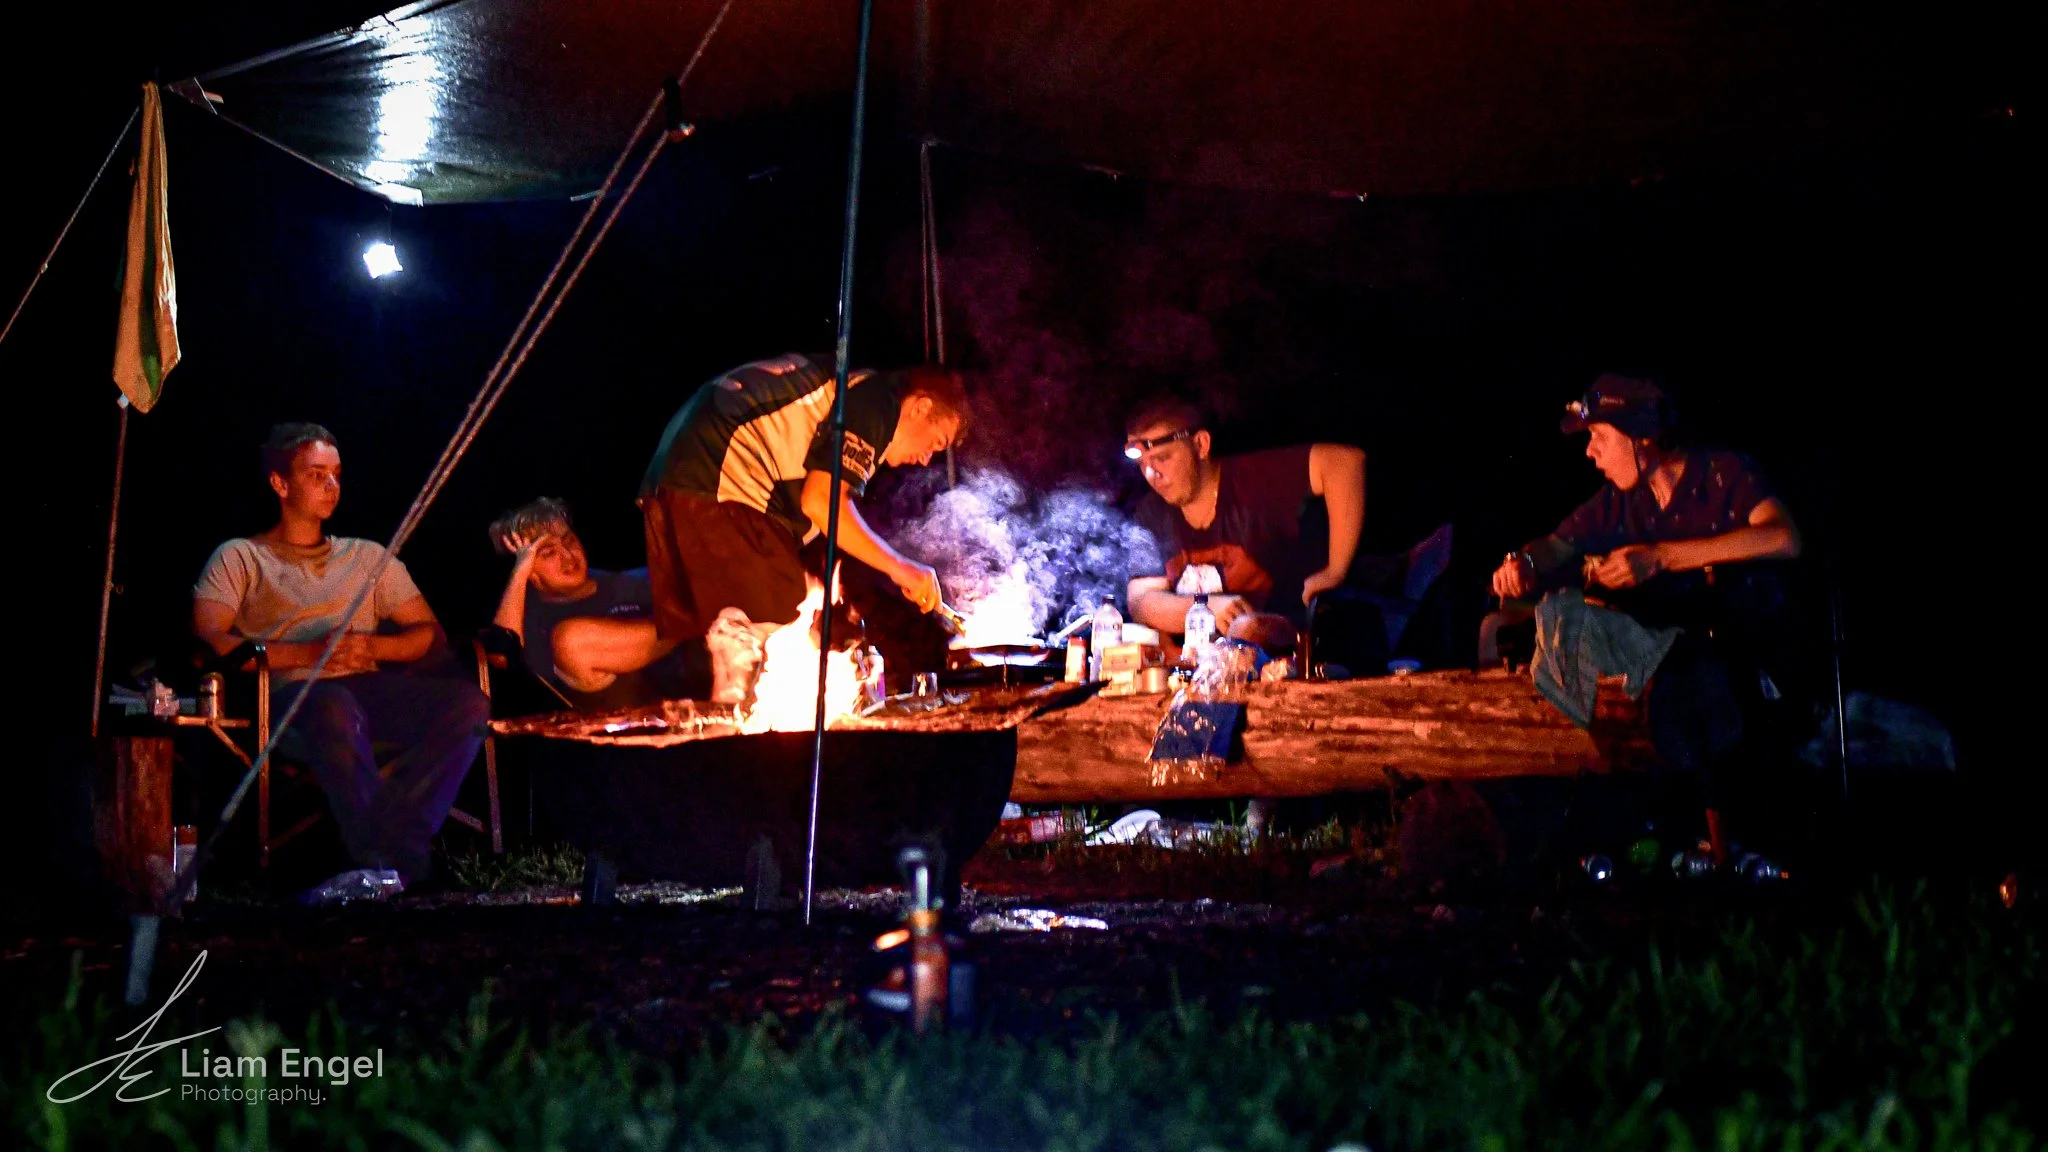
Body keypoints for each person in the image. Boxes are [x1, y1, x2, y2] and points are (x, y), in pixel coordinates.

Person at [1487, 373, 1805, 864]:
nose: (1590, 453)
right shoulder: (1620, 499)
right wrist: (1522, 563)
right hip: (1669, 658)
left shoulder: (1720, 475)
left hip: (1747, 652)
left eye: (1599, 438)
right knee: (1547, 626)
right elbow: (1555, 546)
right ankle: (1586, 821)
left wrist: (1661, 557)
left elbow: (1783, 538)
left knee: (1690, 680)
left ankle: (1719, 841)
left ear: (1642, 438)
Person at [193, 422, 488, 896]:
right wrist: (311, 651)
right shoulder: (241, 557)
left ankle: (391, 857)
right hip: (293, 698)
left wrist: (372, 647)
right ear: (280, 483)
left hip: (367, 688)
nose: (332, 486)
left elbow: (429, 635)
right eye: (316, 475)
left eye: (336, 474)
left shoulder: (367, 557)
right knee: (333, 706)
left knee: (468, 706)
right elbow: (213, 640)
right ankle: (389, 861)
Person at [638, 353, 968, 702]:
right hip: (719, 477)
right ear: (920, 407)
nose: (927, 459)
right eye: (936, 442)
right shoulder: (878, 401)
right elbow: (823, 500)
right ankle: (742, 752)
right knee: (774, 650)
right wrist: (901, 568)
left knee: (718, 641)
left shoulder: (853, 394)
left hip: (679, 478)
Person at [1122, 395, 1369, 660]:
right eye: (1143, 465)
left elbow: (1345, 463)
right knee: (1128, 636)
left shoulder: (1252, 480)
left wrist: (1336, 570)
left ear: (1200, 445)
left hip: (1285, 644)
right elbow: (1141, 601)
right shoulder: (1151, 511)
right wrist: (1205, 607)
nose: (1151, 475)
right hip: (1202, 661)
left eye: (1163, 458)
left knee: (1246, 628)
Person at [486, 497, 700, 708]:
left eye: (569, 540)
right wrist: (519, 574)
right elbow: (500, 658)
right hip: (616, 727)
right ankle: (692, 620)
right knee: (571, 641)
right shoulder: (533, 617)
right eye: (549, 552)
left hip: (688, 703)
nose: (568, 556)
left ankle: (693, 619)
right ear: (528, 569)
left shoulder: (629, 583)